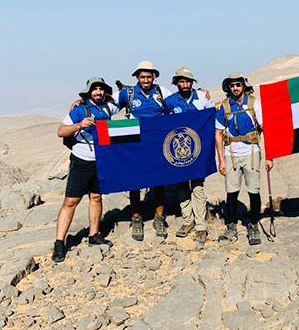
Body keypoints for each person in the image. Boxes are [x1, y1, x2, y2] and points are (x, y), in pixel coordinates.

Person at [52, 77, 118, 262]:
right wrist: (79, 125)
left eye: (101, 89)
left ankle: (94, 235)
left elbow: (124, 98)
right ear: (89, 91)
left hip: (101, 160)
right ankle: (59, 243)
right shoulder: (79, 109)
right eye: (95, 89)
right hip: (81, 161)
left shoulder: (108, 107)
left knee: (96, 198)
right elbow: (61, 131)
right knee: (71, 201)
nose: (98, 92)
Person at [114, 61, 173, 241]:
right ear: (137, 78)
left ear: (153, 77)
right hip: (135, 142)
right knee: (135, 182)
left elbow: (177, 106)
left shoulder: (162, 93)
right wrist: (81, 103)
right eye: (142, 77)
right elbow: (107, 104)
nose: (146, 80)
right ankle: (137, 219)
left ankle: (159, 218)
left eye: (149, 76)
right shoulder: (128, 93)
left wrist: (202, 93)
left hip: (157, 142)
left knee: (159, 181)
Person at [215, 72, 273, 246]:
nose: (235, 88)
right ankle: (231, 226)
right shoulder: (224, 107)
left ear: (243, 86)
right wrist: (221, 160)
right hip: (231, 153)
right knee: (231, 192)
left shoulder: (255, 104)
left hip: (251, 152)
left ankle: (253, 224)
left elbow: (266, 129)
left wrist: (269, 156)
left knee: (253, 191)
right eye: (232, 85)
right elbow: (218, 133)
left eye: (238, 85)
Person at [165, 66, 215, 246]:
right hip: (177, 153)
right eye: (182, 81)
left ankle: (201, 225)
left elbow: (211, 117)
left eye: (188, 81)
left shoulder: (202, 98)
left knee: (198, 188)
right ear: (176, 83)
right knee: (181, 187)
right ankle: (188, 221)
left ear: (192, 83)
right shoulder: (170, 102)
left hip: (199, 151)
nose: (185, 84)